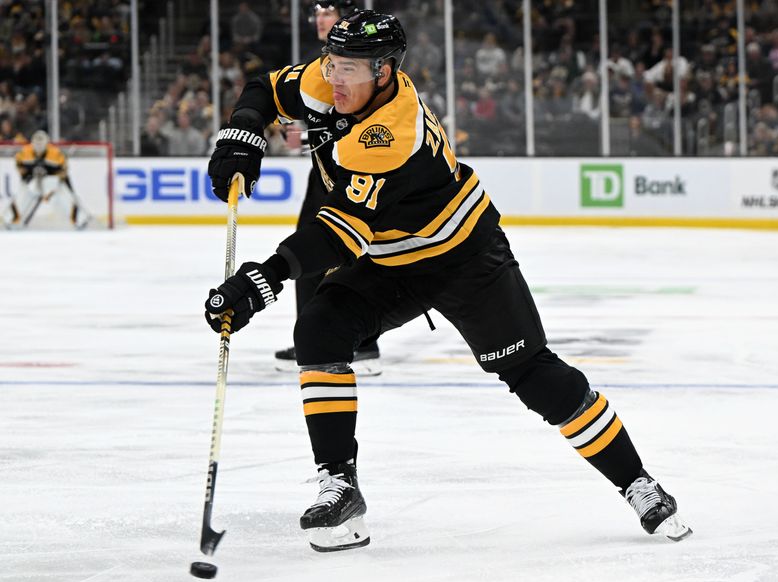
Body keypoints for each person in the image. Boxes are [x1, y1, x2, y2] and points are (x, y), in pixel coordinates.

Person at [204, 11, 692, 553]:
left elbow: (338, 235)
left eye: (349, 69)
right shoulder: (330, 79)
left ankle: (637, 483)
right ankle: (340, 486)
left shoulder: (391, 132)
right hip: (394, 260)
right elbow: (265, 88)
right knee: (319, 331)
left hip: (464, 257)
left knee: (533, 374)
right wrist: (240, 137)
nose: (334, 78)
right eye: (331, 63)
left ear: (384, 72)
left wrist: (260, 281)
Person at [272, 0, 383, 377]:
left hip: (347, 170)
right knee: (328, 248)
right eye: (316, 14)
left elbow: (353, 121)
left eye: (327, 12)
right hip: (326, 170)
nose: (319, 19)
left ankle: (340, 339)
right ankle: (333, 337)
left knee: (325, 247)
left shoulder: (357, 59)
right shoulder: (325, 60)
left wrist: (306, 135)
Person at [2, 130, 90, 229]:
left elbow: (63, 171)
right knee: (24, 194)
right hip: (32, 180)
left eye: (41, 143)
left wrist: (60, 181)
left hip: (51, 182)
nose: (38, 146)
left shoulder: (56, 154)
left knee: (61, 196)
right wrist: (26, 176)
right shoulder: (24, 152)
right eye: (36, 143)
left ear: (46, 143)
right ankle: (10, 220)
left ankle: (80, 219)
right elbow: (19, 165)